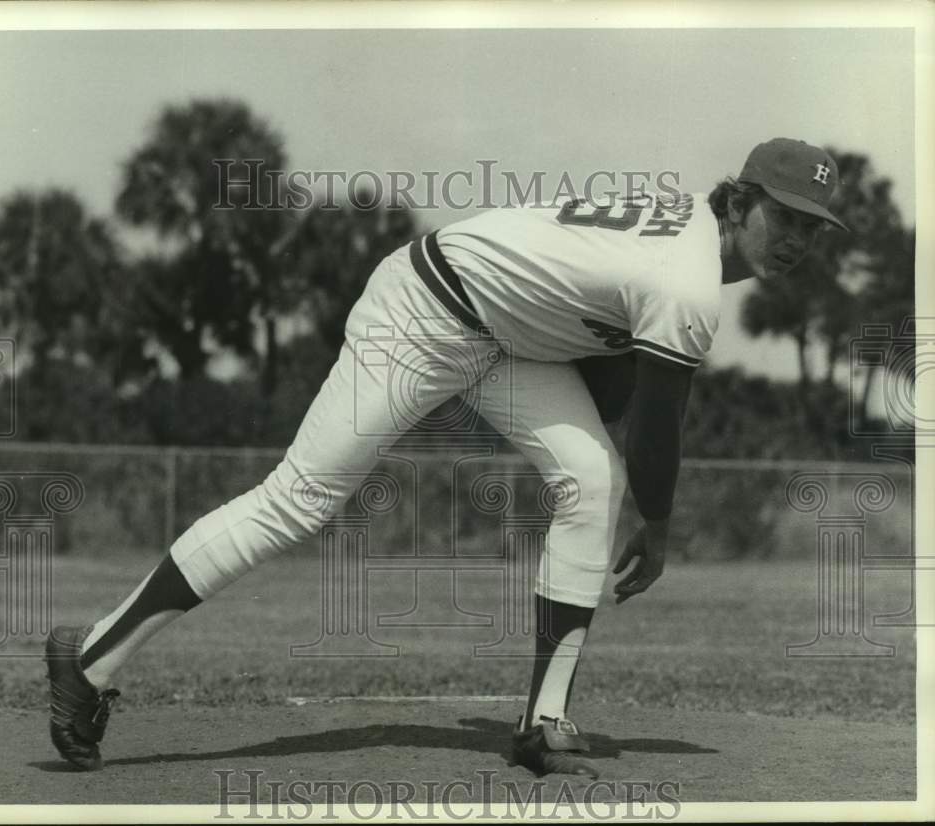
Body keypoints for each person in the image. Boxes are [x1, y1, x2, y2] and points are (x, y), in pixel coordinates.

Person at [46, 138, 846, 775]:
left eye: (814, 226)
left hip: (500, 337)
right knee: (299, 501)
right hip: (424, 311)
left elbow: (601, 363)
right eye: (786, 216)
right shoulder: (690, 281)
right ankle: (90, 660)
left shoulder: (684, 239)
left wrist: (576, 464)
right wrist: (661, 532)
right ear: (739, 202)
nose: (798, 239)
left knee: (592, 479)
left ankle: (544, 720)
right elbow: (657, 428)